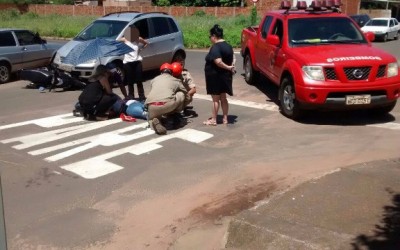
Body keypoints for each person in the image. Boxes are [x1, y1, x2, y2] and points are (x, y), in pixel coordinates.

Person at [203, 24, 236, 126]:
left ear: (214, 36)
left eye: (210, 37)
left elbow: (218, 62)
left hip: (215, 76)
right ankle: (225, 118)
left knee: (215, 100)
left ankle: (213, 120)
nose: (210, 39)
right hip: (225, 77)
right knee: (223, 98)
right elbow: (234, 57)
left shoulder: (215, 47)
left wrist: (228, 67)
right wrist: (232, 66)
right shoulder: (228, 46)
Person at [144, 63, 188, 135]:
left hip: (151, 106)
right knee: (181, 93)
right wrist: (184, 105)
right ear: (171, 72)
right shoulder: (176, 80)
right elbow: (186, 94)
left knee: (153, 117)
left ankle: (155, 121)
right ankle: (175, 113)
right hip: (167, 105)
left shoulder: (154, 80)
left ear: (161, 72)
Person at [119, 26, 148, 100]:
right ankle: (131, 96)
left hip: (137, 62)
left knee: (139, 80)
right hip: (128, 63)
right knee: (130, 81)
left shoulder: (138, 39)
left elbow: (146, 43)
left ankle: (142, 96)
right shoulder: (125, 40)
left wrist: (141, 49)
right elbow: (116, 41)